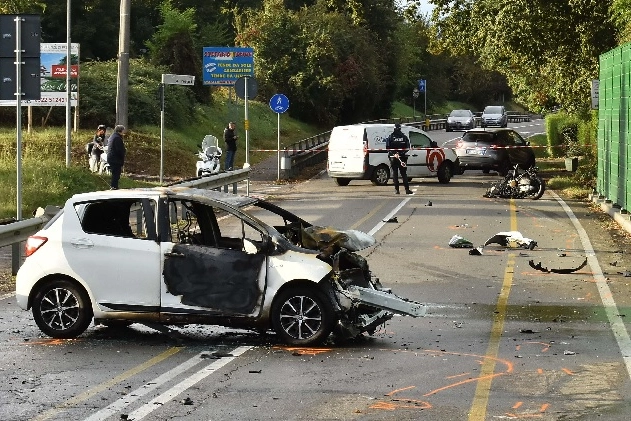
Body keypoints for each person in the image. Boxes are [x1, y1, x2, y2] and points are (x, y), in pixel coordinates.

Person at [386, 123, 413, 195]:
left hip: (393, 157)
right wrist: (400, 153)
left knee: (395, 174)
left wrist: (394, 153)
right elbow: (407, 147)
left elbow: (388, 147)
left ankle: (397, 190)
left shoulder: (391, 137)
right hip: (402, 157)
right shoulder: (404, 137)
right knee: (403, 174)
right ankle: (407, 189)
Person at [106, 125, 126, 189]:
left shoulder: (112, 136)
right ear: (121, 130)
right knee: (116, 173)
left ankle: (114, 186)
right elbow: (119, 149)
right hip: (115, 158)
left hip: (111, 157)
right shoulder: (117, 138)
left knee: (115, 173)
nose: (124, 131)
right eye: (123, 130)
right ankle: (114, 186)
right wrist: (123, 154)